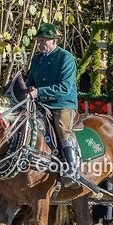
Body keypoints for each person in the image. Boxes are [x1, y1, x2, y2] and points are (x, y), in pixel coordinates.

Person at [26, 22, 80, 187]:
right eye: (39, 41)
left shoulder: (65, 58)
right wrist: (28, 89)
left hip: (62, 103)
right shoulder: (36, 60)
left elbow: (65, 87)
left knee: (63, 127)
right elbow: (30, 82)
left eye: (44, 41)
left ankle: (72, 169)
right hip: (40, 103)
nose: (40, 44)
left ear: (54, 41)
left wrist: (39, 92)